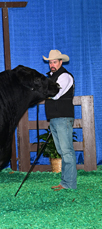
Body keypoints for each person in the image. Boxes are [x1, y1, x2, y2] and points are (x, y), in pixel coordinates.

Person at [43, 50, 77, 191]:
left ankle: (69, 184)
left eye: (54, 62)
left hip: (63, 117)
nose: (52, 64)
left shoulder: (64, 76)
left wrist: (43, 92)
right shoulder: (52, 78)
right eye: (50, 62)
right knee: (62, 151)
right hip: (55, 118)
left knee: (66, 151)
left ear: (61, 62)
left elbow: (56, 95)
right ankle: (65, 182)